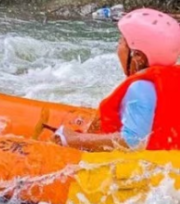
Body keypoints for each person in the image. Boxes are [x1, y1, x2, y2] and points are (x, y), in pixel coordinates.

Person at [55, 9, 180, 151]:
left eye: (121, 41)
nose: (118, 48)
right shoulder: (171, 79)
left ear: (137, 56)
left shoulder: (141, 87)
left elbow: (133, 141)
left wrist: (74, 140)